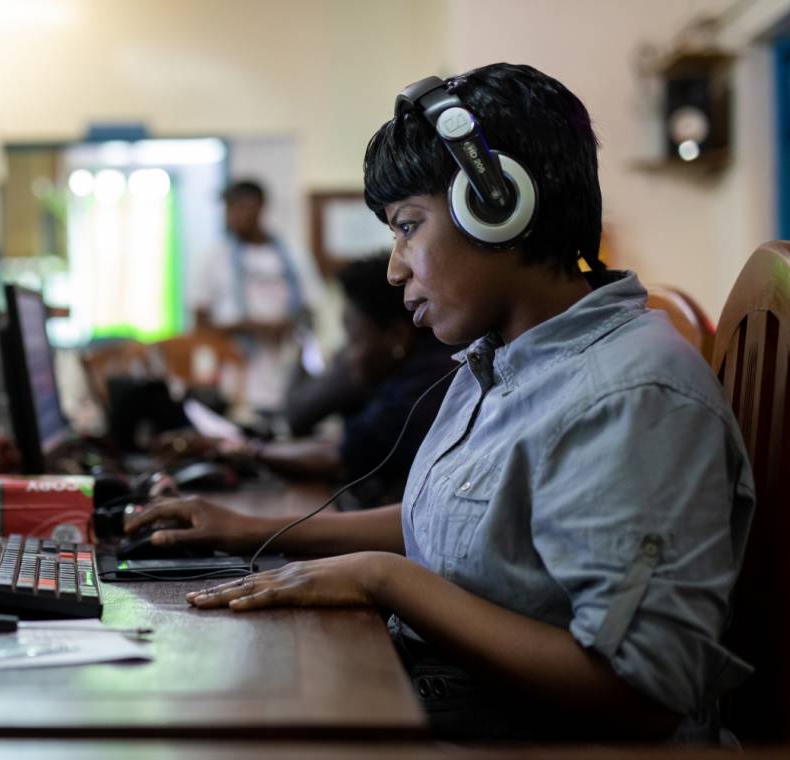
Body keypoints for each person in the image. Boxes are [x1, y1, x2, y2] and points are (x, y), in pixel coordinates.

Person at [127, 63, 754, 742]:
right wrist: (251, 530)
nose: (395, 267)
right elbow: (462, 524)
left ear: (496, 206)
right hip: (463, 702)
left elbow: (642, 691)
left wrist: (386, 582)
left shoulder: (630, 395)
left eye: (407, 227)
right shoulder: (511, 354)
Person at [238, 255, 458, 509]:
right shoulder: (410, 368)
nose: (345, 353)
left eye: (353, 336)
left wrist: (244, 452)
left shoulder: (427, 383)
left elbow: (339, 454)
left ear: (396, 335)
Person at [190, 180, 319, 412]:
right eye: (228, 208)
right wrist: (243, 327)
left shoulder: (293, 254)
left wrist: (286, 325)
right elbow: (199, 322)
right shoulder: (214, 257)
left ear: (260, 207)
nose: (231, 215)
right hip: (233, 384)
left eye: (238, 207)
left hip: (284, 377)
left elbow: (310, 309)